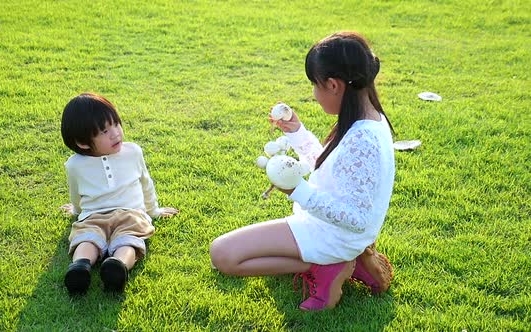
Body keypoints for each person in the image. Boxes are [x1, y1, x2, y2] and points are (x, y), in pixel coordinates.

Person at [210, 31, 395, 311]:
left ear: (333, 85)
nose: (314, 94)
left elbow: (357, 217)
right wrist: (298, 133)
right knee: (225, 252)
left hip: (333, 235)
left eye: (315, 84)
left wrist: (298, 190)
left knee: (223, 255)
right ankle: (341, 260)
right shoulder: (369, 119)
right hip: (332, 229)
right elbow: (331, 167)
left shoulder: (362, 139)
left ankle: (330, 265)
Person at [60, 92, 179, 295]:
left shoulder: (133, 152)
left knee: (117, 238)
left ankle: (115, 265)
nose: (115, 133)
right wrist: (77, 211)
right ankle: (81, 267)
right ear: (83, 142)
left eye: (116, 124)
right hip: (102, 216)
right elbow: (76, 194)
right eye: (105, 131)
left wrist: (154, 211)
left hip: (126, 214)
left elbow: (145, 184)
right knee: (93, 238)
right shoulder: (75, 165)